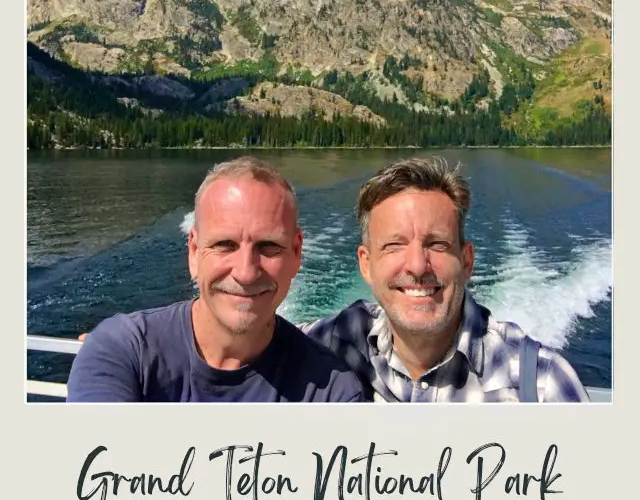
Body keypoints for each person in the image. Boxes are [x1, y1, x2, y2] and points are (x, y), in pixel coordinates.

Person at [66, 157, 363, 402]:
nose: (245, 273)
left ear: (296, 253)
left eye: (268, 247)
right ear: (194, 252)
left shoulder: (332, 392)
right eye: (224, 245)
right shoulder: (123, 352)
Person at [301, 156, 590, 402]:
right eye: (394, 245)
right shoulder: (328, 343)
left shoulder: (541, 388)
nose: (417, 265)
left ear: (467, 261)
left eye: (437, 244)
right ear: (366, 264)